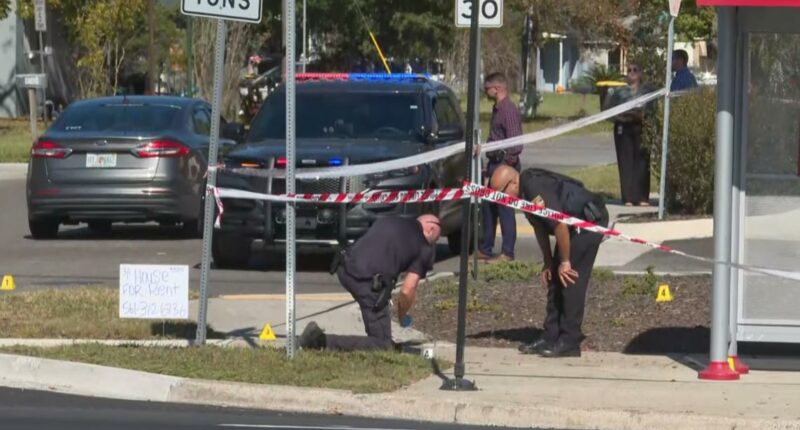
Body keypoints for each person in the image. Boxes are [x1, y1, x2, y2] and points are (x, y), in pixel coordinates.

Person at [489, 165, 609, 358]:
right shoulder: (524, 194)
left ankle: (569, 340)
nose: (502, 201)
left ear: (513, 182)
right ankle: (551, 335)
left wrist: (566, 262)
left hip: (588, 220)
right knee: (554, 275)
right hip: (570, 223)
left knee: (569, 279)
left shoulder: (534, 188)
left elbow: (558, 223)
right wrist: (548, 262)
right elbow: (540, 227)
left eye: (501, 195)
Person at [298, 214, 441, 351]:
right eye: (435, 240)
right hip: (366, 282)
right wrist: (402, 316)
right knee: (382, 345)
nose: (432, 244)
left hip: (343, 266)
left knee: (381, 336)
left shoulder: (391, 220)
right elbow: (407, 290)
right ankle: (319, 341)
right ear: (431, 230)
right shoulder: (424, 247)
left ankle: (377, 339)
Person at [477, 72, 524, 263]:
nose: (485, 92)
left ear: (496, 89)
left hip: (505, 166)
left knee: (505, 209)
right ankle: (486, 248)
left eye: (487, 88)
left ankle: (507, 253)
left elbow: (516, 144)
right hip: (494, 164)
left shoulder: (508, 111)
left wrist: (505, 169)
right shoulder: (497, 109)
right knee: (488, 208)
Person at [603, 62, 656, 207]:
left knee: (642, 162)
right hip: (623, 129)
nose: (631, 73)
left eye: (635, 70)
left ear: (640, 73)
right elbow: (608, 110)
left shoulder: (648, 90)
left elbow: (653, 109)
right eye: (629, 70)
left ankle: (642, 197)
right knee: (626, 163)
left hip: (642, 129)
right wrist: (622, 117)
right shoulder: (619, 90)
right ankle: (628, 198)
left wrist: (644, 116)